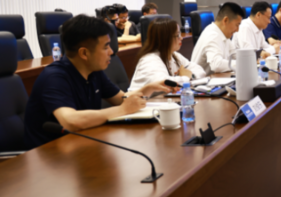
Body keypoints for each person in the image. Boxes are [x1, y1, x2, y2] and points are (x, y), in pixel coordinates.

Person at [23, 15, 177, 148]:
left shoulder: (94, 72)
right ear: (84, 53)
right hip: (48, 156)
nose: (111, 51)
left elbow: (122, 99)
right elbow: (70, 121)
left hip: (80, 144)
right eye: (106, 47)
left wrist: (148, 88)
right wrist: (123, 110)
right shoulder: (54, 77)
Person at [129, 19, 206, 92]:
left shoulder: (174, 55)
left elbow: (200, 71)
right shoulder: (149, 59)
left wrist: (191, 76)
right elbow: (163, 83)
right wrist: (186, 77)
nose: (181, 38)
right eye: (177, 35)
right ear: (165, 38)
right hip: (142, 100)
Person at [191, 2, 245, 75]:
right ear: (225, 20)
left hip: (215, 79)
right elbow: (216, 65)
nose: (237, 30)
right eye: (237, 25)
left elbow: (235, 55)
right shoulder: (212, 35)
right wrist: (241, 64)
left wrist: (247, 61)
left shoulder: (224, 34)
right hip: (202, 81)